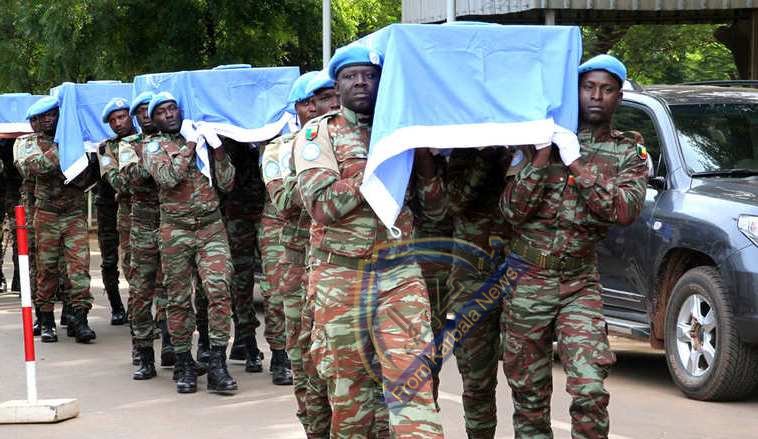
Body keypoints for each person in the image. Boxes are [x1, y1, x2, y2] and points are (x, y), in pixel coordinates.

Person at [294, 45, 445, 437]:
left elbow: (436, 208)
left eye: (369, 75)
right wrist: (375, 168)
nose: (361, 82)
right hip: (341, 277)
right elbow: (322, 205)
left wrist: (422, 158)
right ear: (337, 85)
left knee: (413, 384)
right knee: (351, 397)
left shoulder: (401, 132)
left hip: (399, 275)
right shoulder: (319, 133)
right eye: (351, 76)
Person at [500, 54, 648, 439]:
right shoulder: (540, 138)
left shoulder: (628, 153)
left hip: (579, 283)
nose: (596, 96)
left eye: (607, 89)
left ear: (618, 97)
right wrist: (541, 156)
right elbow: (511, 211)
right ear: (576, 91)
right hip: (528, 280)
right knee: (528, 395)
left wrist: (577, 164)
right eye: (588, 87)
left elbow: (624, 210)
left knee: (590, 388)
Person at [142, 92, 237, 394]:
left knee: (219, 290)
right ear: (154, 120)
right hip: (176, 230)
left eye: (173, 108)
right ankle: (184, 362)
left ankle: (218, 363)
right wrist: (191, 144)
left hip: (210, 227)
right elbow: (168, 177)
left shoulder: (202, 139)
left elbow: (227, 183)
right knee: (179, 298)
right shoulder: (153, 146)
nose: (169, 114)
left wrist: (217, 149)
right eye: (162, 111)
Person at [262, 70, 338, 434]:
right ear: (300, 108)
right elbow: (283, 200)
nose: (325, 106)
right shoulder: (280, 149)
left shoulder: (353, 140)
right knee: (305, 355)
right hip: (299, 267)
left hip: (343, 264)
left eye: (332, 97)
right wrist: (314, 165)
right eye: (314, 101)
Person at [445, 147, 514, 438]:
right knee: (476, 379)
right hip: (472, 279)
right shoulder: (465, 152)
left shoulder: (529, 149)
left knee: (528, 381)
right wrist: (486, 157)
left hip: (520, 275)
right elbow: (455, 201)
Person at [16, 96, 96, 343]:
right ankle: (47, 319)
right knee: (47, 269)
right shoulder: (27, 143)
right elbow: (30, 168)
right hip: (47, 215)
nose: (49, 120)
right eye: (43, 117)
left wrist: (81, 152)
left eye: (53, 115)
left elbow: (89, 173)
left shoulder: (78, 141)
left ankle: (80, 319)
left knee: (79, 269)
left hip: (73, 214)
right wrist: (65, 148)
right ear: (35, 122)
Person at [118, 91, 176, 379]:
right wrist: (154, 160)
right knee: (141, 291)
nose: (145, 115)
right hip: (141, 225)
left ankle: (170, 344)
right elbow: (129, 177)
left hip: (170, 221)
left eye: (148, 110)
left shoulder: (173, 141)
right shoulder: (128, 145)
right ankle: (142, 352)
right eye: (140, 111)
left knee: (171, 289)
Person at [97, 97, 135, 326]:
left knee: (139, 261)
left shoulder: (145, 141)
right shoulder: (106, 148)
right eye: (113, 120)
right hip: (108, 208)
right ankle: (116, 306)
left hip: (134, 208)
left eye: (122, 117)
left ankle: (138, 308)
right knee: (110, 259)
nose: (118, 123)